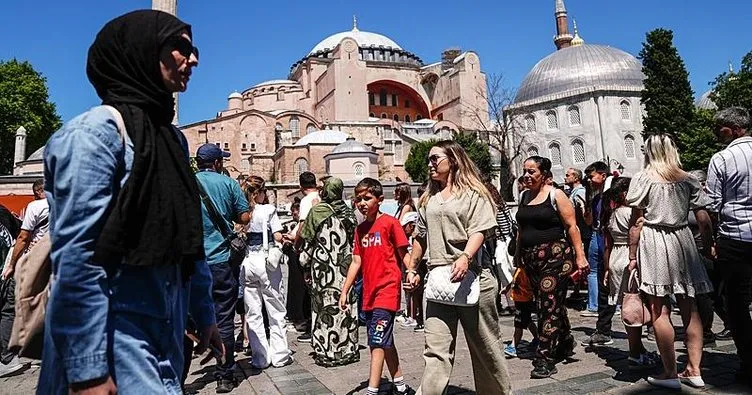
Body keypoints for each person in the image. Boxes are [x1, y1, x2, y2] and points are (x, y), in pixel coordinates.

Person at [38, 10, 222, 394]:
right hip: (113, 337)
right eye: (180, 47)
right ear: (141, 51)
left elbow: (188, 239)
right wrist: (87, 370)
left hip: (165, 329)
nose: (194, 59)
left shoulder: (172, 140)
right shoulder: (94, 135)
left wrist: (204, 313)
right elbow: (77, 256)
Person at [406, 140, 511, 394]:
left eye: (435, 159)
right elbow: (420, 237)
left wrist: (465, 256)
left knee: (486, 348)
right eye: (428, 159)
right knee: (435, 350)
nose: (430, 164)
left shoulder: (475, 194)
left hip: (474, 278)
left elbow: (480, 231)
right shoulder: (428, 198)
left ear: (452, 160)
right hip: (439, 279)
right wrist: (412, 268)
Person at [626, 134, 713, 390]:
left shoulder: (643, 179)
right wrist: (708, 247)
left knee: (658, 309)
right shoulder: (689, 179)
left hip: (654, 240)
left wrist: (632, 256)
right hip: (683, 239)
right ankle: (695, 370)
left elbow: (637, 223)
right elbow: (704, 219)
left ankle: (669, 372)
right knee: (690, 307)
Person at [515, 156, 588, 378]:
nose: (527, 176)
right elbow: (521, 229)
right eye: (525, 171)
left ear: (544, 175)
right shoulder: (524, 196)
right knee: (550, 303)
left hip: (555, 257)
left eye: (532, 172)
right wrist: (518, 255)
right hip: (531, 260)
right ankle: (564, 339)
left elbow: (572, 226)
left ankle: (545, 357)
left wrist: (580, 256)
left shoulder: (556, 195)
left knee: (547, 305)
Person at [340, 177, 412, 395]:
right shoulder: (360, 229)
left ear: (380, 200)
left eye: (367, 198)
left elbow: (403, 253)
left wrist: (411, 271)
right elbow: (356, 261)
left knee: (376, 342)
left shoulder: (390, 223)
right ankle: (399, 384)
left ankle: (373, 390)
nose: (362, 203)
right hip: (368, 295)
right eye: (358, 199)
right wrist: (345, 290)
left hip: (387, 291)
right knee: (385, 339)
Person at [195, 142, 251, 391]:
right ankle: (225, 375)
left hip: (192, 263)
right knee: (225, 318)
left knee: (186, 321)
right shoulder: (228, 184)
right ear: (217, 163)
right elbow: (244, 216)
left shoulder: (185, 183)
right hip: (221, 262)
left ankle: (178, 378)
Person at [706, 107, 752, 387]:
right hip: (737, 236)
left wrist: (711, 240)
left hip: (736, 238)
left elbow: (712, 205)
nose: (716, 132)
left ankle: (749, 362)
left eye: (720, 127)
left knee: (736, 303)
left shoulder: (723, 158)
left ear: (734, 129)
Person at [599, 177, 659, 369]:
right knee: (634, 306)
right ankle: (635, 352)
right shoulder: (631, 213)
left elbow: (607, 244)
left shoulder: (612, 213)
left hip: (616, 258)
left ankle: (638, 350)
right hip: (630, 258)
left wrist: (607, 268)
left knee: (628, 306)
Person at [300, 177, 360, 367]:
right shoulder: (349, 214)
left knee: (323, 307)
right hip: (346, 268)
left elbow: (307, 241)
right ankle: (348, 349)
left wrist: (304, 264)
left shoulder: (318, 211)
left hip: (323, 269)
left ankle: (327, 351)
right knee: (346, 306)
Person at [240, 176, 293, 369]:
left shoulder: (243, 213)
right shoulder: (268, 210)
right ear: (259, 193)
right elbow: (278, 235)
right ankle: (280, 355)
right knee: (275, 309)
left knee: (253, 312)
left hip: (247, 263)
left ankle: (260, 358)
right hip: (266, 263)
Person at [686, 170, 727, 345]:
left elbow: (710, 225)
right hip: (693, 252)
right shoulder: (690, 202)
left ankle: (710, 329)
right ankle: (707, 328)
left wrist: (711, 245)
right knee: (704, 293)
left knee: (711, 293)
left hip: (707, 251)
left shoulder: (709, 204)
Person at [580, 161, 610, 319]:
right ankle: (594, 304)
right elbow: (589, 221)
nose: (589, 180)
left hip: (607, 238)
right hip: (596, 236)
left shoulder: (611, 196)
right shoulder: (595, 197)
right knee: (594, 271)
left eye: (591, 176)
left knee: (608, 271)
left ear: (603, 175)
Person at [293, 171, 320, 343]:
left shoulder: (305, 201)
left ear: (301, 186)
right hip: (323, 247)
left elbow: (302, 225)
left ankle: (311, 326)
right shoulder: (321, 197)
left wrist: (296, 244)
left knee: (309, 287)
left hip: (310, 248)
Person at [0, 201, 25, 377]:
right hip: (6, 272)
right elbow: (20, 235)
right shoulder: (3, 211)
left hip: (6, 271)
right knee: (7, 312)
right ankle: (8, 358)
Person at [502, 267, 538, 359]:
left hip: (525, 301)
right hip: (519, 299)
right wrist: (507, 288)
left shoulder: (526, 270)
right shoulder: (519, 269)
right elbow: (514, 281)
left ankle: (513, 346)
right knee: (527, 321)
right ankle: (537, 338)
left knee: (518, 324)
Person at [400, 211, 424, 332]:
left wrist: (412, 269)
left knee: (418, 293)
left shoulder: (416, 237)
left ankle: (418, 318)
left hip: (420, 265)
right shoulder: (409, 238)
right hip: (413, 268)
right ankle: (414, 316)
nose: (403, 229)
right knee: (413, 293)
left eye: (405, 226)